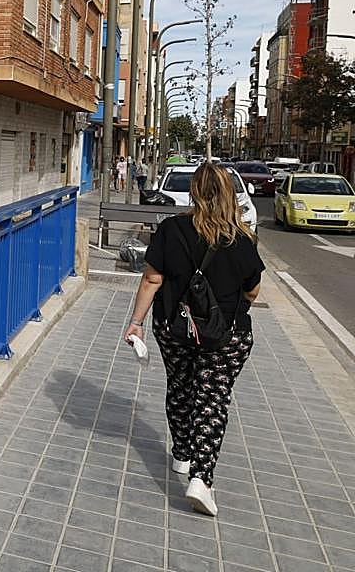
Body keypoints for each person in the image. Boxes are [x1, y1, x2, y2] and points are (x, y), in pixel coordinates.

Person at [123, 163, 263, 516]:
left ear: (195, 193)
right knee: (212, 398)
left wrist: (136, 323)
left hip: (175, 328)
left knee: (181, 387)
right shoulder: (241, 237)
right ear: (230, 194)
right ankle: (202, 478)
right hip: (225, 335)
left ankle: (182, 455)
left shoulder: (172, 230)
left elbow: (152, 280)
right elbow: (253, 291)